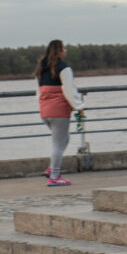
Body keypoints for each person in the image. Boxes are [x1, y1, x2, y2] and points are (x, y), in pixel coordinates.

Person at [34, 39, 84, 186]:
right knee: (58, 145)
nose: (66, 51)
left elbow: (38, 91)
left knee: (63, 139)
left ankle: (51, 170)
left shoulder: (41, 68)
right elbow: (69, 89)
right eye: (64, 48)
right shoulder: (64, 68)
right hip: (59, 110)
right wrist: (79, 106)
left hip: (45, 110)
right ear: (60, 51)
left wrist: (43, 105)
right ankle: (54, 177)